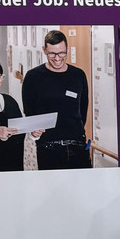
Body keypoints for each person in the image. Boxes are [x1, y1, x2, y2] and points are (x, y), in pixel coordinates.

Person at [22, 30, 91, 169]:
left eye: (61, 53)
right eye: (52, 53)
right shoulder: (33, 77)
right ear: (44, 50)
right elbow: (29, 112)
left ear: (67, 49)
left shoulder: (78, 75)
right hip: (48, 148)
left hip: (77, 146)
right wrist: (33, 130)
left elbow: (83, 110)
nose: (57, 58)